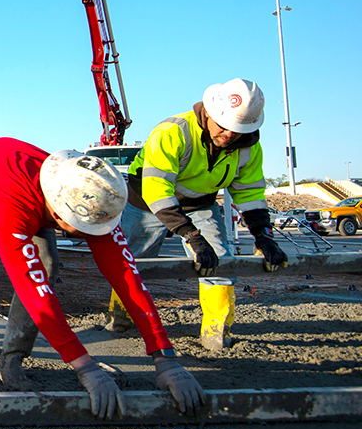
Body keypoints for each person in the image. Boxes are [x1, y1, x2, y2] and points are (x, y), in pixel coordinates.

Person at [0, 138, 206, 420]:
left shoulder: (87, 191)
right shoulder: (12, 203)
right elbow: (33, 290)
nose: (96, 237)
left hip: (22, 193)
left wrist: (165, 358)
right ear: (63, 215)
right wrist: (86, 367)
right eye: (87, 231)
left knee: (48, 269)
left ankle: (11, 360)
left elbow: (127, 277)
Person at [106, 78, 287, 351]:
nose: (229, 135)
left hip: (200, 203)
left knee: (220, 261)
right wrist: (192, 236)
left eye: (237, 130)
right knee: (133, 263)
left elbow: (249, 193)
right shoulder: (172, 131)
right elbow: (157, 189)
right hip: (146, 200)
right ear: (210, 113)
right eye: (224, 127)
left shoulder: (248, 146)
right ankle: (120, 324)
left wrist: (263, 235)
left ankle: (216, 335)